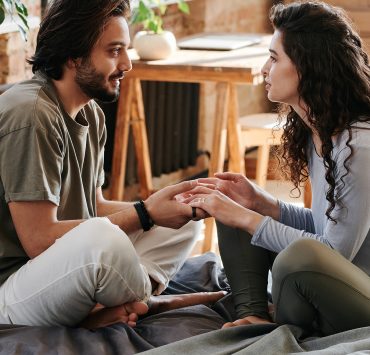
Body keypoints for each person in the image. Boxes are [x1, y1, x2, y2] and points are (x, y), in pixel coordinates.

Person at [0, 0, 224, 329]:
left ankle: (125, 304)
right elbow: (38, 239)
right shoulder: (31, 114)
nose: (127, 64)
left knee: (185, 217)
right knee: (104, 239)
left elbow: (94, 205)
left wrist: (160, 208)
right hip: (13, 288)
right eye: (114, 51)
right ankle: (149, 303)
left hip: (56, 271)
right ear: (74, 56)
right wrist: (145, 214)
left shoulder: (90, 112)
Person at [185, 1, 370, 336]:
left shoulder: (359, 148)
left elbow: (331, 255)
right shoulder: (319, 133)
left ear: (307, 66)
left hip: (360, 299)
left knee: (292, 255)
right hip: (329, 285)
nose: (264, 69)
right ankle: (253, 315)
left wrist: (249, 218)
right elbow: (323, 229)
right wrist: (261, 204)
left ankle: (273, 320)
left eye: (274, 58)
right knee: (234, 203)